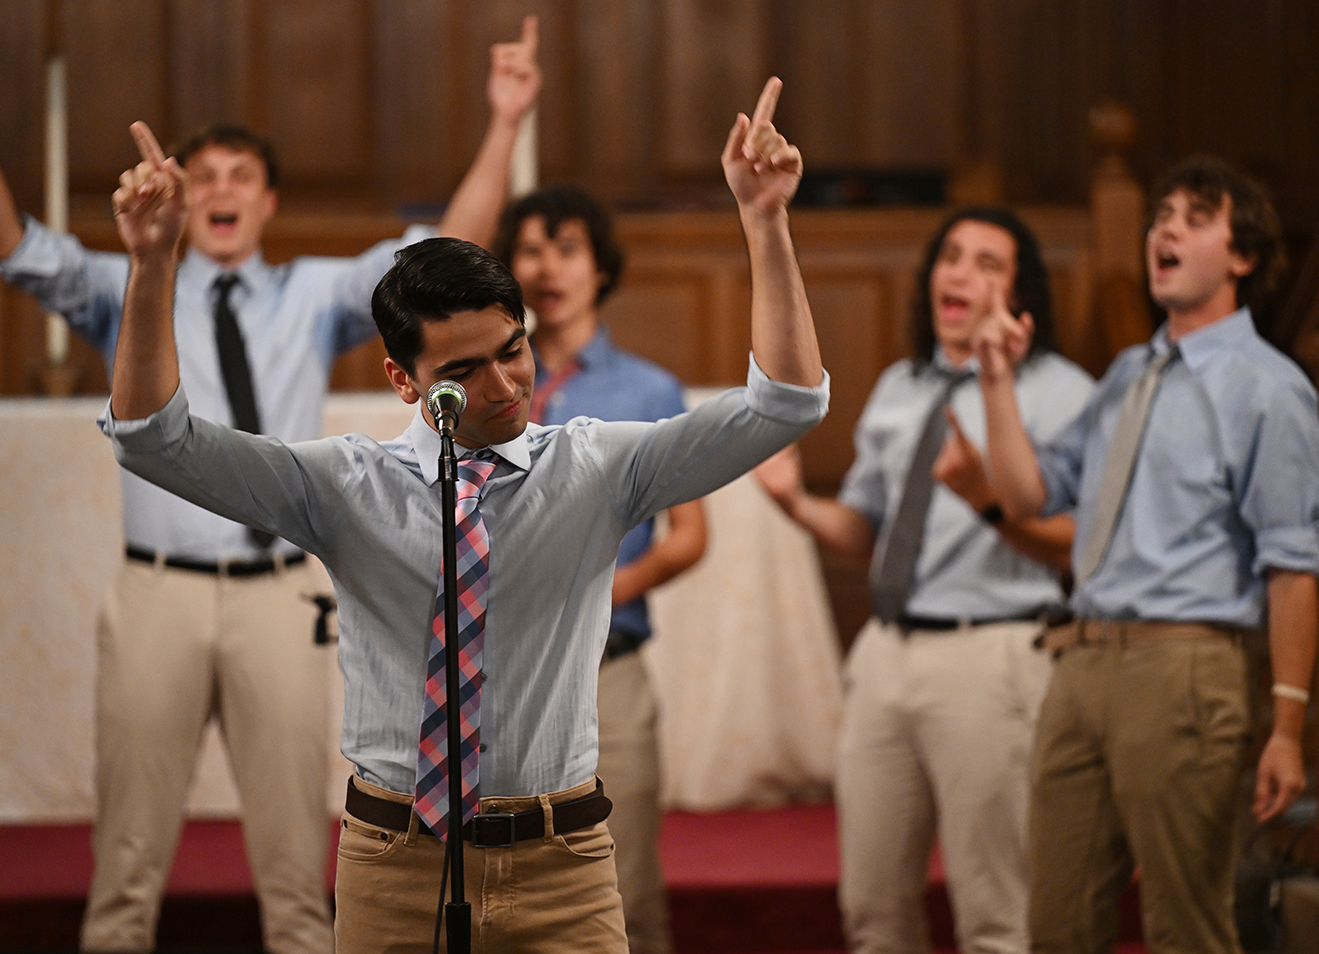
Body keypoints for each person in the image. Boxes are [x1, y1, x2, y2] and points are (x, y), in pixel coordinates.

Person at [101, 77, 826, 954]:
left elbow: (785, 404)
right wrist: (150, 266)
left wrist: (766, 220)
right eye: (463, 370)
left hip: (562, 862)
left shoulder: (594, 468)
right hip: (394, 860)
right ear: (403, 381)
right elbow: (153, 441)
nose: (503, 387)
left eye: (513, 351)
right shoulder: (345, 487)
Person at [0, 7, 541, 954]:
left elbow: (434, 264)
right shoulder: (132, 278)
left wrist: (505, 120)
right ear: (178, 193)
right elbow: (8, 244)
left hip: (281, 598)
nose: (220, 192)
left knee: (299, 871)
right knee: (125, 866)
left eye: (241, 179)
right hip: (159, 594)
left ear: (265, 203)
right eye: (203, 176)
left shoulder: (311, 296)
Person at [974, 157, 1319, 954]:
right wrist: (996, 382)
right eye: (1160, 214)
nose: (1163, 227)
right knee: (1057, 925)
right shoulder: (1131, 373)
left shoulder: (1268, 388)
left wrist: (1288, 724)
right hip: (1083, 661)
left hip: (1185, 668)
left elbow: (1294, 564)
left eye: (1193, 217)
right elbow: (1028, 495)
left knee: (1186, 928)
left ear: (1242, 257)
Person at [755, 208, 1094, 954]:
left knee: (997, 915)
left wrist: (991, 499)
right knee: (872, 912)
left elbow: (1080, 545)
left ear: (1019, 292)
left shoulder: (1060, 391)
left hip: (993, 652)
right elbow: (867, 531)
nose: (961, 274)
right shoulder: (899, 387)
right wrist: (799, 506)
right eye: (951, 256)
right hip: (884, 654)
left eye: (987, 264)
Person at [493, 184, 708, 954]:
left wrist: (601, 589)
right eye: (531, 250)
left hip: (603, 668)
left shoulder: (646, 391)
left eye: (568, 248)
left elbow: (688, 535)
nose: (549, 268)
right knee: (500, 885)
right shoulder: (485, 386)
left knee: (625, 888)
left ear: (600, 267)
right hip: (496, 670)